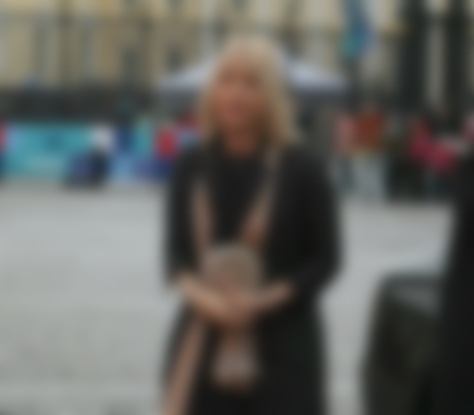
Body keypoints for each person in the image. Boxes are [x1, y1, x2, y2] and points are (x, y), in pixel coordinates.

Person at [163, 36, 340, 415]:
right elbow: (175, 258)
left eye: (251, 83)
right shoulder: (191, 164)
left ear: (272, 95)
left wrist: (262, 301)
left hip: (283, 348)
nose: (236, 94)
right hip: (202, 342)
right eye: (227, 80)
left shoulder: (304, 168)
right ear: (213, 91)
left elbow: (326, 259)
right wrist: (208, 301)